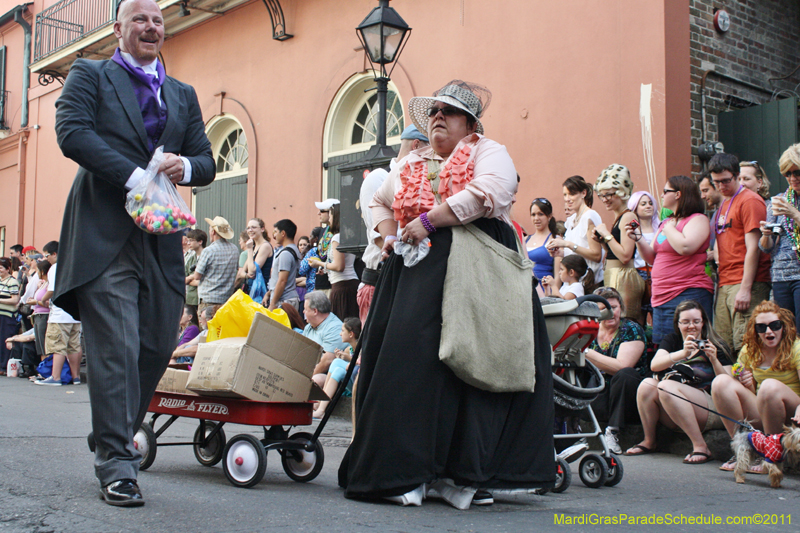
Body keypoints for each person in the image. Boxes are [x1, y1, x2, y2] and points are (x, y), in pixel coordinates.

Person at [339, 80, 554, 508]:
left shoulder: (489, 151)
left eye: (449, 111)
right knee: (409, 363)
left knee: (476, 363)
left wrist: (429, 220)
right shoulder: (410, 163)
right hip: (416, 277)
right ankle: (406, 471)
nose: (438, 116)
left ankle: (464, 475)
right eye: (434, 110)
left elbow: (489, 192)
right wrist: (388, 235)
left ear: (470, 125)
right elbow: (378, 203)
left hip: (481, 271)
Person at [53, 0, 215, 506]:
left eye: (157, 20)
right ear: (118, 28)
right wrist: (136, 177)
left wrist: (183, 167)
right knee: (117, 348)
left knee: (156, 345)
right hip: (103, 234)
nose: (151, 26)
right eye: (139, 19)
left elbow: (206, 160)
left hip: (161, 238)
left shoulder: (182, 93)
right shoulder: (90, 74)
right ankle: (118, 464)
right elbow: (72, 133)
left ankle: (111, 430)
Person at [625, 300, 733, 463]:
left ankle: (700, 446)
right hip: (674, 407)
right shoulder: (673, 340)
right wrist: (682, 353)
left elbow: (728, 383)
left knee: (665, 386)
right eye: (686, 322)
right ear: (678, 324)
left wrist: (714, 359)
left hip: (709, 408)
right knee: (647, 385)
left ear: (703, 322)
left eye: (696, 321)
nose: (691, 326)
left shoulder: (715, 344)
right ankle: (649, 440)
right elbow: (654, 365)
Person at [711, 301, 800, 471]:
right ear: (755, 330)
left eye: (774, 325)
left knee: (768, 386)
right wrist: (747, 384)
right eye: (761, 327)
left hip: (795, 414)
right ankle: (743, 450)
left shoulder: (796, 347)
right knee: (720, 382)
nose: (768, 331)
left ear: (784, 326)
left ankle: (771, 455)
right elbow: (753, 395)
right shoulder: (750, 350)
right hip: (766, 410)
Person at [628, 176, 713, 345]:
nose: (661, 195)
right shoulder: (667, 223)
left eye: (665, 191)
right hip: (661, 296)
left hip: (687, 291)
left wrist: (669, 229)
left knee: (689, 345)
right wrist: (638, 238)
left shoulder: (697, 219)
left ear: (678, 194)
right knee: (664, 346)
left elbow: (686, 247)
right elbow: (651, 257)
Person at [709, 153, 771, 352]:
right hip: (725, 281)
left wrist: (745, 289)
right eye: (716, 182)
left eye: (726, 181)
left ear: (737, 176)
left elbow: (754, 247)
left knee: (746, 345)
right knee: (723, 346)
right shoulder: (725, 202)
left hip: (747, 282)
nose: (721, 186)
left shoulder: (750, 200)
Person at [585, 287, 647, 455]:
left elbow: (621, 366)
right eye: (603, 309)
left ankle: (613, 432)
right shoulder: (590, 329)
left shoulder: (631, 329)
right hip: (599, 393)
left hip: (627, 397)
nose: (610, 313)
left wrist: (585, 352)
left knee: (625, 374)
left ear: (621, 308)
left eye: (613, 307)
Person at [592, 165, 644, 324]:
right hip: (616, 275)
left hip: (623, 277)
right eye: (601, 195)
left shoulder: (629, 217)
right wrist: (603, 242)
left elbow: (626, 255)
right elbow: (617, 252)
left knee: (622, 323)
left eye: (608, 194)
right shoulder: (622, 216)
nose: (604, 199)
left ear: (622, 192)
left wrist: (607, 235)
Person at [759, 144, 800, 329]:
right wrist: (766, 234)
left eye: (797, 172)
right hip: (780, 275)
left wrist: (794, 214)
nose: (792, 178)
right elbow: (766, 248)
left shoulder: (787, 206)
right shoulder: (780, 199)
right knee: (784, 331)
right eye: (787, 174)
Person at [35, 241, 82, 386]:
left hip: (60, 314)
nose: (46, 259)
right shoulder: (74, 265)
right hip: (75, 314)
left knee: (58, 346)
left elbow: (52, 289)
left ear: (54, 253)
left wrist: (42, 299)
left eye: (47, 255)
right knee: (74, 345)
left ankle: (55, 377)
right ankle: (76, 377)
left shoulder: (56, 267)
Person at [547, 175, 604, 287]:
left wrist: (567, 244)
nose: (567, 199)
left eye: (572, 194)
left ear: (583, 193)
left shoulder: (589, 216)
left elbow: (596, 255)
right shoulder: (572, 220)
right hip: (573, 283)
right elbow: (579, 251)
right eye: (565, 194)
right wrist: (561, 253)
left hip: (589, 284)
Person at [308, 204, 359, 320]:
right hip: (349, 283)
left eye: (331, 215)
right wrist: (326, 269)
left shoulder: (337, 238)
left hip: (342, 286)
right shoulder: (350, 235)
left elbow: (339, 266)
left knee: (342, 323)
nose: (329, 219)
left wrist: (319, 264)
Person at [312, 316, 361, 419]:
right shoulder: (349, 349)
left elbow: (359, 364)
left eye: (343, 331)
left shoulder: (362, 348)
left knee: (337, 363)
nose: (340, 334)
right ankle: (321, 405)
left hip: (360, 383)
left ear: (351, 334)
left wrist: (349, 359)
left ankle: (321, 407)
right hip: (352, 381)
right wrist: (343, 357)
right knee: (337, 367)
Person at [189, 217, 239, 314]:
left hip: (208, 299)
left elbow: (197, 276)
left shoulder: (208, 251)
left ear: (213, 232)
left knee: (206, 323)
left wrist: (190, 277)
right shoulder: (234, 249)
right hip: (226, 300)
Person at [628, 191, 659, 318]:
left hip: (658, 274)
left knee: (657, 313)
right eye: (643, 204)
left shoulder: (661, 226)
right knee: (638, 315)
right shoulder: (632, 229)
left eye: (650, 203)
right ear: (635, 207)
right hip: (638, 274)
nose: (648, 206)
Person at [304, 291, 348, 376]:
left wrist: (303, 378)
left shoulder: (335, 328)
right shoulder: (308, 327)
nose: (303, 312)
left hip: (329, 376)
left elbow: (327, 361)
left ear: (315, 311)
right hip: (308, 368)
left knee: (317, 378)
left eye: (305, 309)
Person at [526, 198, 560, 295]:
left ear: (549, 216)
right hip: (526, 290)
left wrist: (553, 296)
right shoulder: (525, 240)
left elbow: (558, 275)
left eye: (540, 214)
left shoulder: (555, 240)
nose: (536, 218)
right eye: (533, 215)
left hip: (545, 292)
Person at [266, 219, 301, 311]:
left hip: (284, 301)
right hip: (286, 299)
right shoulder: (294, 250)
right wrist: (269, 293)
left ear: (283, 233)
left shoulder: (285, 253)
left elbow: (282, 280)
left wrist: (272, 304)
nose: (274, 235)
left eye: (276, 232)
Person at [27, 260, 51, 365]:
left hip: (44, 316)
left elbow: (48, 303)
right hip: (37, 315)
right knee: (40, 346)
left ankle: (47, 369)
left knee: (44, 344)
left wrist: (35, 302)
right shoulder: (42, 283)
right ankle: (43, 369)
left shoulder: (49, 285)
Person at [313, 199, 339, 294]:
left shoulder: (339, 234)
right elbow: (321, 255)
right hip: (321, 281)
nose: (318, 213)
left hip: (333, 283)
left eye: (322, 211)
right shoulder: (322, 231)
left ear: (332, 213)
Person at [244, 217, 274, 295]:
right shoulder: (254, 246)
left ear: (262, 229)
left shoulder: (265, 246)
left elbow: (252, 271)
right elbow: (242, 271)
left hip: (260, 293)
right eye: (248, 228)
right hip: (251, 290)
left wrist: (249, 249)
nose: (250, 230)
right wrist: (246, 275)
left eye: (253, 227)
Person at [0, 257, 20, 374]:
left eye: (1, 268)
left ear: (8, 269)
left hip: (7, 316)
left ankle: (4, 366)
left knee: (5, 340)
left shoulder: (12, 282)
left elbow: (15, 300)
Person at [184, 228, 206, 306]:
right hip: (190, 299)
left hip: (203, 298)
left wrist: (190, 279)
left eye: (191, 240)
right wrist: (192, 277)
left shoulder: (207, 257)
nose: (188, 243)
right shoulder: (191, 259)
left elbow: (205, 282)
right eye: (188, 241)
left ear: (200, 241)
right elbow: (183, 280)